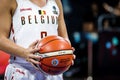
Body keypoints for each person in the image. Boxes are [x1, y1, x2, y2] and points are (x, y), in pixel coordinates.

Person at [0, 0, 74, 80]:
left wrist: (66, 53)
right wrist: (24, 52)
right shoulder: (9, 1)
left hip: (53, 70)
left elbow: (64, 38)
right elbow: (1, 38)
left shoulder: (56, 2)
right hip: (21, 69)